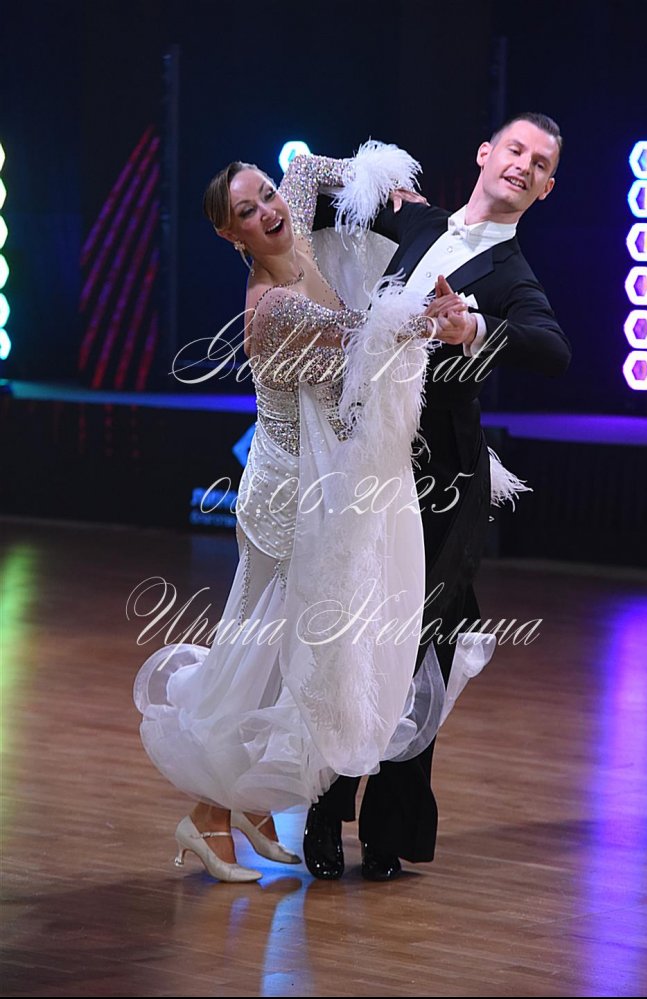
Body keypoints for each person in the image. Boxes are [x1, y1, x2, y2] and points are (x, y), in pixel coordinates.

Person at [133, 144, 483, 883]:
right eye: (248, 211)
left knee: (276, 658)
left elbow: (312, 169)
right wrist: (430, 317)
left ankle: (245, 808)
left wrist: (379, 182)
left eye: (264, 193)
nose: (269, 209)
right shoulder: (274, 305)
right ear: (230, 235)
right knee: (259, 658)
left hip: (316, 479)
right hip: (287, 493)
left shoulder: (288, 212)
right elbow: (364, 337)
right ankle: (208, 818)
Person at [304, 112, 572, 881]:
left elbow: (552, 349)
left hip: (443, 478)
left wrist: (473, 325)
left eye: (539, 162)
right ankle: (324, 809)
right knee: (353, 631)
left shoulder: (513, 275)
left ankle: (388, 828)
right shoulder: (419, 222)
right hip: (371, 459)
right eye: (514, 148)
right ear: (485, 153)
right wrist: (369, 178)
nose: (523, 164)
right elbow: (310, 191)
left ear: (546, 188)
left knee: (420, 641)